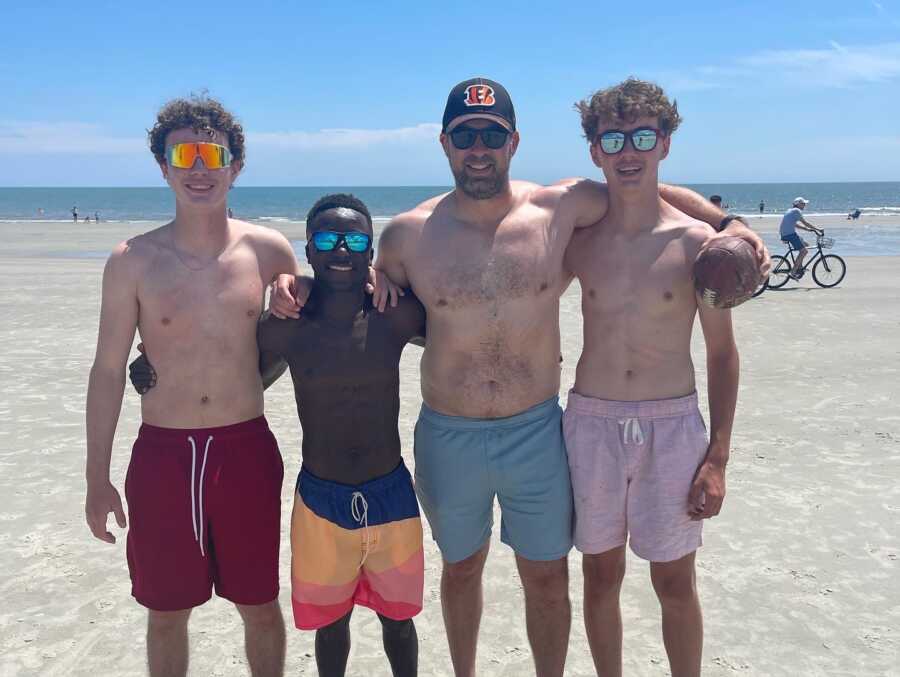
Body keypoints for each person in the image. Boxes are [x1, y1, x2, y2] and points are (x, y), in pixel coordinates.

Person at [272, 76, 767, 677]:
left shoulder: (560, 208)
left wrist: (730, 223)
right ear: (445, 144)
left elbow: (640, 187)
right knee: (462, 569)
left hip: (537, 430)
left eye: (491, 134)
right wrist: (291, 282)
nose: (478, 147)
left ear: (513, 142)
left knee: (548, 574)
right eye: (465, 135)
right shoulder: (407, 235)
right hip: (448, 433)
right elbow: (342, 284)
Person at [133, 193, 426, 677]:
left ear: (369, 253)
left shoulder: (393, 314)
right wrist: (156, 362)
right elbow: (233, 374)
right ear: (307, 250)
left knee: (398, 621)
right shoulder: (286, 328)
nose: (341, 250)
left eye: (355, 240)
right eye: (328, 239)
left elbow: (459, 333)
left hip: (391, 491)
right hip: (320, 497)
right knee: (332, 623)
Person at [84, 95, 300, 677]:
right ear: (162, 166)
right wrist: (95, 476)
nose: (199, 168)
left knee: (259, 603)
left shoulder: (269, 250)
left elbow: (294, 346)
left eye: (214, 154)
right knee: (165, 609)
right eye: (184, 154)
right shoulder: (132, 260)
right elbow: (107, 369)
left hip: (246, 448)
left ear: (236, 165)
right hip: (162, 452)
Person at [565, 77, 739, 677]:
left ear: (665, 143)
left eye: (643, 136)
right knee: (600, 574)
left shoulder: (699, 246)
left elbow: (722, 354)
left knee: (674, 578)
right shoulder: (578, 241)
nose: (628, 152)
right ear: (595, 151)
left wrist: (717, 457)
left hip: (672, 424)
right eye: (613, 139)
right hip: (591, 421)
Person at [779, 197, 822, 278]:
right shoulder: (796, 211)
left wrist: (806, 229)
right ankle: (793, 272)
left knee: (805, 244)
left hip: (785, 234)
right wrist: (817, 229)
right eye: (803, 204)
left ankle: (800, 267)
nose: (805, 205)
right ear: (798, 204)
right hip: (790, 234)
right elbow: (805, 222)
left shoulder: (790, 210)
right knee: (804, 251)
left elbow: (794, 224)